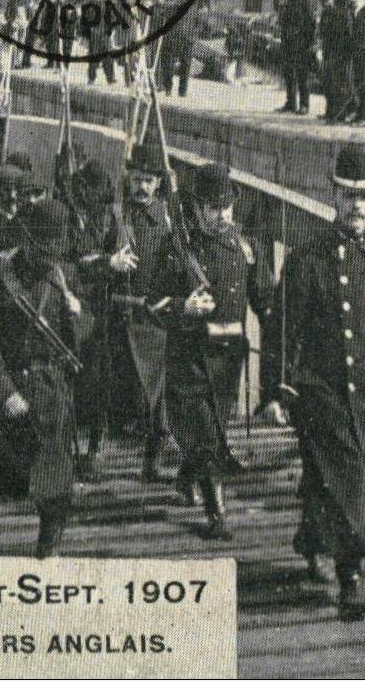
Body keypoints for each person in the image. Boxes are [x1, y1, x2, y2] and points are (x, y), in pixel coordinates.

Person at [262, 143, 365, 621]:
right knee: (351, 484)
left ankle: (310, 539)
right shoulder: (308, 259)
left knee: (328, 482)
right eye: (348, 196)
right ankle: (350, 579)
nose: (356, 206)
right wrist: (275, 390)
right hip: (322, 395)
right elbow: (281, 330)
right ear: (334, 195)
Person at [0, 198, 86, 558]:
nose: (48, 259)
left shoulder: (65, 277)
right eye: (42, 251)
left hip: (50, 389)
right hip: (5, 387)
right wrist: (5, 393)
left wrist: (78, 316)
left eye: (55, 252)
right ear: (27, 242)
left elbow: (84, 340)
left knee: (54, 477)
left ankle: (48, 547)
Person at [150, 163, 275, 539]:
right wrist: (182, 307)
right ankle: (217, 514)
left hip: (227, 358)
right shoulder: (177, 248)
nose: (221, 216)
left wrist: (279, 333)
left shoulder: (245, 247)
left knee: (213, 429)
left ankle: (188, 477)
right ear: (198, 207)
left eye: (226, 207)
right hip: (189, 355)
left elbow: (265, 299)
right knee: (206, 435)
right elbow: (153, 303)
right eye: (212, 208)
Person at [65, 159, 137, 481]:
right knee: (72, 378)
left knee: (98, 381)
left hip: (101, 310)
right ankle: (71, 448)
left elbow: (123, 261)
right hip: (72, 307)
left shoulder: (113, 218)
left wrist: (111, 263)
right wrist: (106, 262)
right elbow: (72, 261)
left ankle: (93, 448)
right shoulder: (70, 216)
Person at [117, 141, 175, 482]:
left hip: (154, 316)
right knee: (119, 387)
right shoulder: (118, 214)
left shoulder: (167, 220)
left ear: (158, 184)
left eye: (150, 181)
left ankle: (152, 459)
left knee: (157, 392)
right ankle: (96, 449)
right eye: (138, 179)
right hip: (119, 314)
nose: (143, 186)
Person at [277, 0, 316, 114]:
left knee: (302, 75)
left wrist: (309, 43)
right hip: (288, 43)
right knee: (289, 74)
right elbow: (281, 22)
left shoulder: (304, 1)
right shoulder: (288, 2)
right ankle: (291, 103)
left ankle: (304, 105)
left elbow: (311, 23)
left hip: (301, 45)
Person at [318, 0, 352, 124]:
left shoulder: (344, 9)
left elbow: (348, 32)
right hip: (330, 51)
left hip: (341, 52)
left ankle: (339, 115)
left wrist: (346, 52)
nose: (326, 2)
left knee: (340, 84)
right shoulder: (329, 10)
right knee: (329, 83)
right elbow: (324, 31)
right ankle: (331, 112)